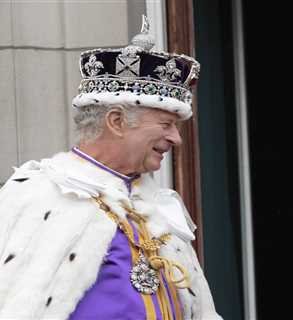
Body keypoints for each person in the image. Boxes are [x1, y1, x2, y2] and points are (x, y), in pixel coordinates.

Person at [0, 16, 222, 320]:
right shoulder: (38, 194)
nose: (176, 138)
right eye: (166, 124)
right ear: (116, 122)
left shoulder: (159, 206)